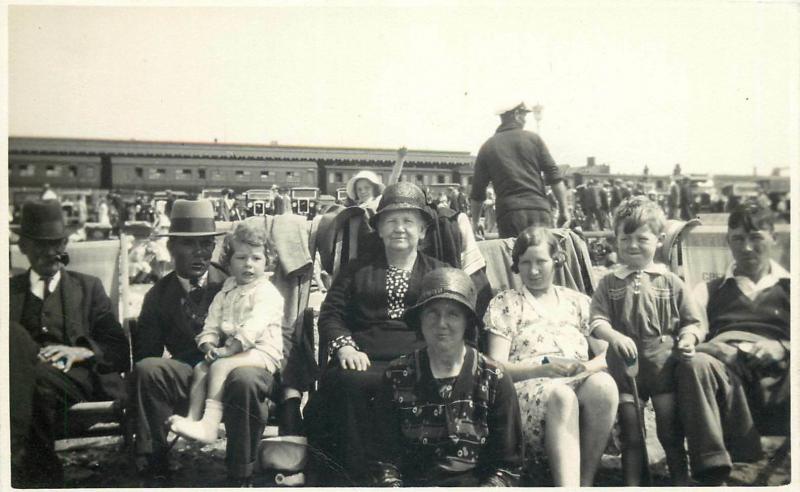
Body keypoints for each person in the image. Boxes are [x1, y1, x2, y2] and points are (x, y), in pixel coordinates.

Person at [304, 182, 447, 485]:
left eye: (409, 221)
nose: (400, 228)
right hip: (363, 356)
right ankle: (354, 478)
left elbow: (452, 321)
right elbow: (331, 315)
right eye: (391, 221)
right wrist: (344, 347)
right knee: (349, 381)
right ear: (379, 229)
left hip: (419, 358)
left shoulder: (438, 273)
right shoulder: (356, 270)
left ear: (422, 231)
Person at [131, 200, 275, 487]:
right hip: (192, 372)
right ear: (171, 248)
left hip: (243, 366)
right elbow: (148, 354)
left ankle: (240, 473)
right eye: (189, 245)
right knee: (148, 369)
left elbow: (268, 324)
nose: (200, 253)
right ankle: (154, 461)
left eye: (206, 244)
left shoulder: (236, 279)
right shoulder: (159, 295)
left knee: (244, 379)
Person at [483, 227, 618, 486]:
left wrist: (585, 367)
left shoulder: (578, 302)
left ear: (556, 260)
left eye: (541, 261)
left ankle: (585, 482)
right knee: (562, 396)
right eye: (525, 263)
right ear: (516, 265)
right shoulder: (507, 303)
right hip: (529, 388)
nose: (533, 271)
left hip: (579, 377)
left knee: (604, 386)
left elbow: (606, 355)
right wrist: (540, 369)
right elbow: (496, 366)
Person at [9, 200, 130, 487]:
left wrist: (81, 351)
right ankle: (41, 472)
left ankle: (21, 463)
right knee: (13, 336)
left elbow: (119, 350)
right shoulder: (8, 292)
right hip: (22, 377)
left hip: (75, 377)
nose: (50, 252)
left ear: (65, 244)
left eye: (56, 243)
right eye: (39, 244)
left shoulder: (87, 288)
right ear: (23, 247)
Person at [589, 196, 705, 485]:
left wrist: (689, 338)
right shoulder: (609, 281)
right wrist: (613, 336)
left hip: (663, 369)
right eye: (625, 238)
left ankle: (680, 480)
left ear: (660, 240)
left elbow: (694, 321)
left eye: (641, 238)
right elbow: (596, 321)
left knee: (669, 430)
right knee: (631, 432)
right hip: (624, 371)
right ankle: (632, 484)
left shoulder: (671, 282)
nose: (632, 245)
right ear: (615, 239)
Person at [371, 268, 523, 486]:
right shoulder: (397, 375)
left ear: (467, 323)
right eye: (432, 312)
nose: (441, 323)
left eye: (453, 314)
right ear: (420, 320)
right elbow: (383, 461)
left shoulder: (494, 378)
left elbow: (508, 468)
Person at [676, 204, 790, 485]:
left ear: (774, 238)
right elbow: (687, 336)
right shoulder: (709, 290)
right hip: (725, 368)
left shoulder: (791, 287)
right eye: (738, 239)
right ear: (728, 242)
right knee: (695, 363)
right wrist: (716, 348)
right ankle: (712, 468)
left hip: (781, 368)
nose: (747, 247)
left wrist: (784, 347)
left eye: (756, 238)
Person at [167, 221, 284, 443]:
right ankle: (193, 419)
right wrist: (209, 345)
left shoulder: (266, 292)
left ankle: (209, 426)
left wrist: (227, 350)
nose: (248, 264)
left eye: (256, 258)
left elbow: (253, 327)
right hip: (234, 351)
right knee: (202, 367)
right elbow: (211, 323)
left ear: (267, 261)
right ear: (228, 262)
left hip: (263, 351)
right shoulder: (227, 290)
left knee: (219, 366)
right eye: (241, 258)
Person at [470, 101, 570, 238]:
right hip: (539, 209)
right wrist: (564, 211)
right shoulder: (534, 139)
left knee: (517, 257)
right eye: (524, 115)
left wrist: (475, 222)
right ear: (516, 115)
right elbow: (554, 176)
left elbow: (477, 191)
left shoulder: (488, 147)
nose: (525, 120)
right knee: (544, 255)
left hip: (509, 214)